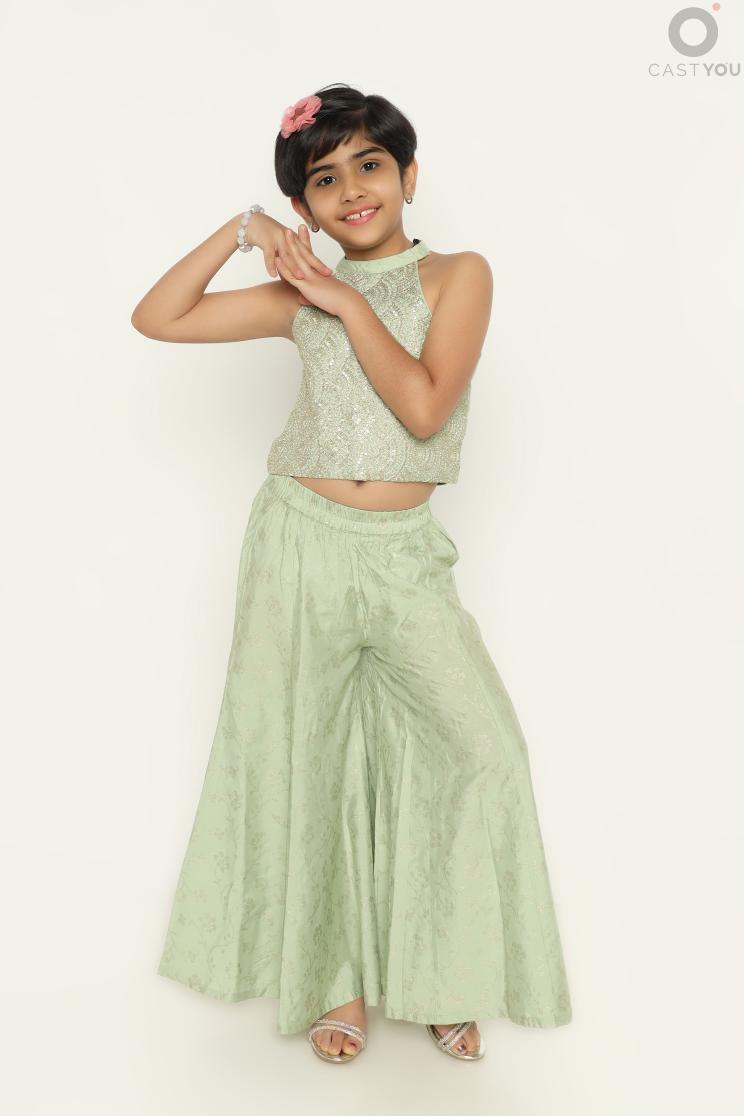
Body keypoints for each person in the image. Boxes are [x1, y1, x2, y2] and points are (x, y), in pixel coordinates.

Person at [132, 82, 572, 1065]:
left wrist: (340, 298)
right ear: (305, 208)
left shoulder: (458, 275)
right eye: (323, 180)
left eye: (369, 165)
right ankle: (335, 983)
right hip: (299, 539)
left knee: (480, 752)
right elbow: (158, 318)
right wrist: (238, 231)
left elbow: (423, 408)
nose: (352, 190)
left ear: (409, 175)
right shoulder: (297, 293)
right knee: (312, 759)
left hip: (402, 555)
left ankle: (444, 972)